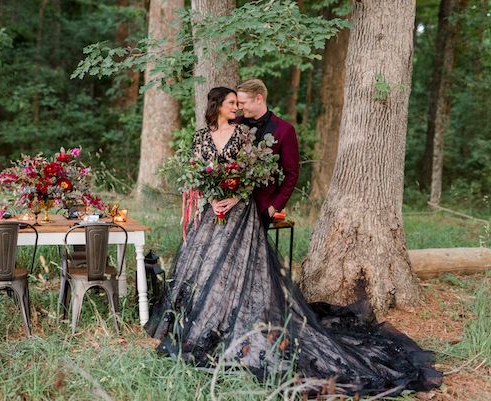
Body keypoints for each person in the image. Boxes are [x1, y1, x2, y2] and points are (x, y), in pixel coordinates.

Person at [145, 87, 441, 396]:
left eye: (239, 102)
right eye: (232, 103)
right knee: (206, 268)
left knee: (240, 271)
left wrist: (232, 198)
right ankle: (203, 325)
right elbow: (197, 172)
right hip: (211, 211)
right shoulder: (201, 136)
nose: (237, 108)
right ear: (217, 105)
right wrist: (213, 197)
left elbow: (253, 175)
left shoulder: (244, 135)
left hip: (240, 211)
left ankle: (237, 325)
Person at [236, 79, 300, 230]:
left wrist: (273, 208)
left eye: (243, 102)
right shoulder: (234, 124)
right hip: (233, 205)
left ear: (259, 99)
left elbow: (291, 175)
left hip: (262, 208)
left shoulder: (284, 130)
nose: (239, 107)